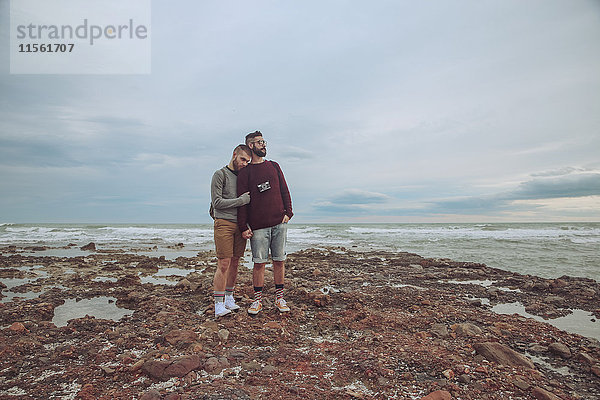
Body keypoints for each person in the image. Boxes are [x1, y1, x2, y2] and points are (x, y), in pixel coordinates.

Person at [237, 131, 293, 315]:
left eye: (264, 142)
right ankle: (258, 301)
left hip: (279, 222)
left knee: (279, 261)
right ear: (251, 146)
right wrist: (243, 226)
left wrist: (288, 213)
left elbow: (285, 190)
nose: (263, 145)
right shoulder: (245, 173)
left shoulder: (274, 166)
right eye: (259, 142)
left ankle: (279, 298)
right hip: (258, 227)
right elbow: (243, 201)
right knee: (259, 263)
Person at [211, 144, 252, 318]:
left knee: (235, 262)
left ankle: (229, 297)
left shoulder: (244, 177)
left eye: (248, 161)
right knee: (224, 263)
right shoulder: (219, 175)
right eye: (242, 159)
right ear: (234, 154)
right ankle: (218, 304)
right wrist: (240, 200)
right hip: (224, 223)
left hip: (240, 225)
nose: (244, 163)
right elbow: (217, 203)